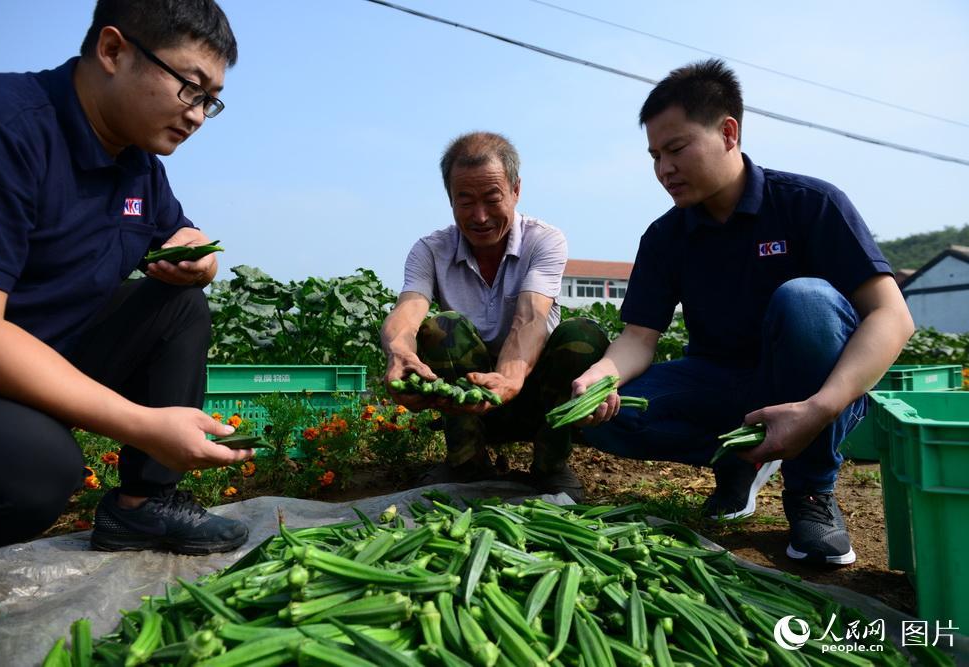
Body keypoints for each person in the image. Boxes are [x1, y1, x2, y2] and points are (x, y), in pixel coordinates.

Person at [574, 59, 914, 565]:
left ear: (728, 132)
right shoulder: (667, 236)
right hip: (719, 380)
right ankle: (738, 456)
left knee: (807, 299)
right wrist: (600, 375)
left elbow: (892, 316)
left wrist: (818, 408)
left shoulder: (810, 204)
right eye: (654, 155)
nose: (663, 169)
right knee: (601, 417)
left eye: (676, 148)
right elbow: (640, 336)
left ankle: (812, 492)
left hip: (813, 389)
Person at [0, 0, 255, 558]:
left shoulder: (138, 166)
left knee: (180, 303)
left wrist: (199, 257)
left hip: (38, 362)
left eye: (210, 101)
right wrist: (146, 424)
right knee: (36, 472)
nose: (197, 114)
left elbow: (189, 239)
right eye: (190, 87)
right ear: (113, 50)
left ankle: (142, 507)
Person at [380, 131, 608, 501]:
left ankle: (551, 466)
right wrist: (399, 351)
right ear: (450, 200)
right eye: (465, 201)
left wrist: (508, 378)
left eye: (492, 199)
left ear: (516, 190)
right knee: (443, 328)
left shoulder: (543, 240)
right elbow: (409, 309)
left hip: (535, 393)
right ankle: (466, 462)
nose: (480, 216)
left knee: (583, 335)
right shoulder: (430, 250)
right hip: (467, 396)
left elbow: (531, 317)